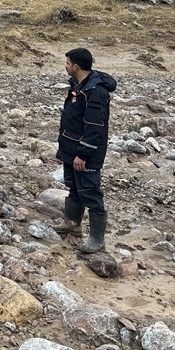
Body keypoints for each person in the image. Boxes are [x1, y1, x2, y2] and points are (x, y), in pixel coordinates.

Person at [55, 47, 117, 254]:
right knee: (74, 185)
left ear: (76, 66)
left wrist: (83, 153)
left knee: (90, 193)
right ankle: (73, 223)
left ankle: (97, 240)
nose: (65, 66)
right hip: (71, 148)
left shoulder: (95, 92)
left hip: (85, 153)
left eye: (67, 63)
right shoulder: (79, 85)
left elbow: (94, 127)